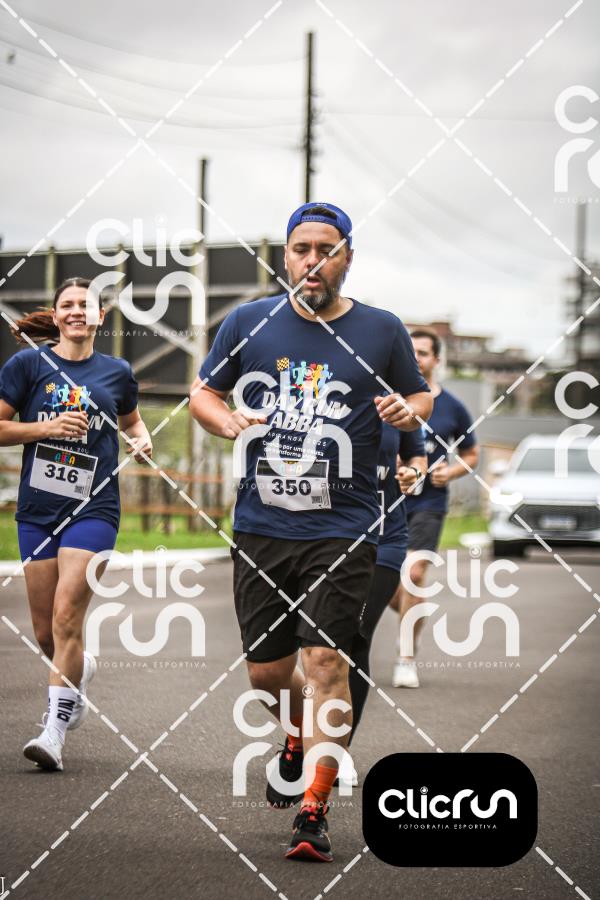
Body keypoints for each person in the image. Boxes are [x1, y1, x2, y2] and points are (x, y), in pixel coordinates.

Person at [190, 202, 432, 863]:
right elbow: (204, 392)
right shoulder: (249, 321)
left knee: (326, 663)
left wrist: (404, 408)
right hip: (263, 525)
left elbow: (420, 397)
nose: (313, 260)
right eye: (302, 249)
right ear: (286, 256)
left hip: (345, 527)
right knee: (268, 673)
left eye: (327, 249)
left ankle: (313, 811)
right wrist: (224, 420)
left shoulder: (381, 329)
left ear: (347, 257)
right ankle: (296, 735)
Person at [0, 277, 152, 771]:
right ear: (57, 314)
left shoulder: (117, 371)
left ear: (100, 316)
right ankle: (78, 669)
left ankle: (53, 732)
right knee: (47, 633)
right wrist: (44, 427)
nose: (76, 312)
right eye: (67, 305)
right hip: (38, 510)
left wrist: (142, 439)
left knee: (68, 616)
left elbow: (131, 421)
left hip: (94, 508)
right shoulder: (27, 365)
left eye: (85, 305)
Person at [390, 327, 479, 688]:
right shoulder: (390, 400)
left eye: (423, 352)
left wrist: (451, 471)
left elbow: (471, 453)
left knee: (412, 574)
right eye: (410, 351)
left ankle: (405, 658)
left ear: (436, 360)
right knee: (382, 582)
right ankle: (414, 613)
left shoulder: (453, 407)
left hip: (429, 501)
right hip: (388, 500)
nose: (416, 358)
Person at [344, 422, 426, 771]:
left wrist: (413, 473)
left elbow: (417, 456)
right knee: (313, 648)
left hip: (384, 537)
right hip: (323, 535)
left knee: (354, 637)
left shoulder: (397, 403)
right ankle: (301, 737)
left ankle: (337, 749)